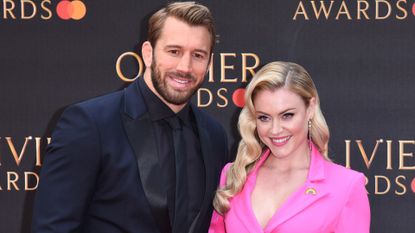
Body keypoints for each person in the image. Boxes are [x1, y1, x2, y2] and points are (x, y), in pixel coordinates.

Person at [32, 2, 229, 233]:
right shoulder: (89, 124)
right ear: (148, 53)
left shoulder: (214, 135)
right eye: (174, 51)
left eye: (198, 55)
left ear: (209, 63)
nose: (185, 67)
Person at [208, 61, 370, 233]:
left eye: (287, 115)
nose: (275, 130)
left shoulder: (346, 186)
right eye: (264, 117)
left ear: (310, 108)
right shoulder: (234, 176)